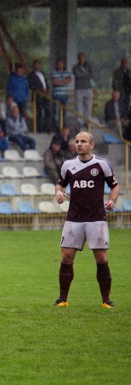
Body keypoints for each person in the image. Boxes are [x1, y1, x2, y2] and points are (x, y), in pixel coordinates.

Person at [54, 131, 119, 309]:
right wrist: (59, 192)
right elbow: (60, 184)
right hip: (73, 218)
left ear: (92, 145)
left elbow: (114, 185)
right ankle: (63, 299)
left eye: (83, 141)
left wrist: (112, 201)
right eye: (77, 141)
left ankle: (106, 300)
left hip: (96, 218)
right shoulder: (68, 165)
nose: (79, 144)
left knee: (101, 257)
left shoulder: (102, 164)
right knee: (66, 257)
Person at [72, 53, 94, 128]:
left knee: (88, 106)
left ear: (85, 58)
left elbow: (91, 75)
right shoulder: (75, 67)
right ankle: (80, 122)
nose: (81, 59)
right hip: (79, 89)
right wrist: (85, 75)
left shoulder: (89, 66)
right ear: (78, 59)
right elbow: (77, 75)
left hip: (88, 88)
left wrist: (83, 75)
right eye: (80, 58)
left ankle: (87, 122)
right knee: (79, 106)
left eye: (82, 57)